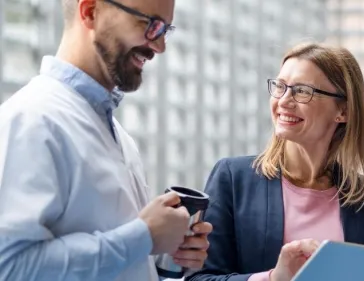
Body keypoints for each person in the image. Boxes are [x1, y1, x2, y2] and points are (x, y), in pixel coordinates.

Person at [0, 0, 213, 280]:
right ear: (90, 11)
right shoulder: (31, 120)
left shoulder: (118, 136)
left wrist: (162, 258)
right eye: (151, 24)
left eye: (165, 30)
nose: (160, 46)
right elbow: (10, 267)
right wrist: (144, 236)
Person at [186, 42, 364, 281]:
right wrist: (273, 278)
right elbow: (199, 278)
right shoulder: (233, 179)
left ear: (343, 111)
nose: (283, 101)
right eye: (280, 86)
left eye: (302, 91)